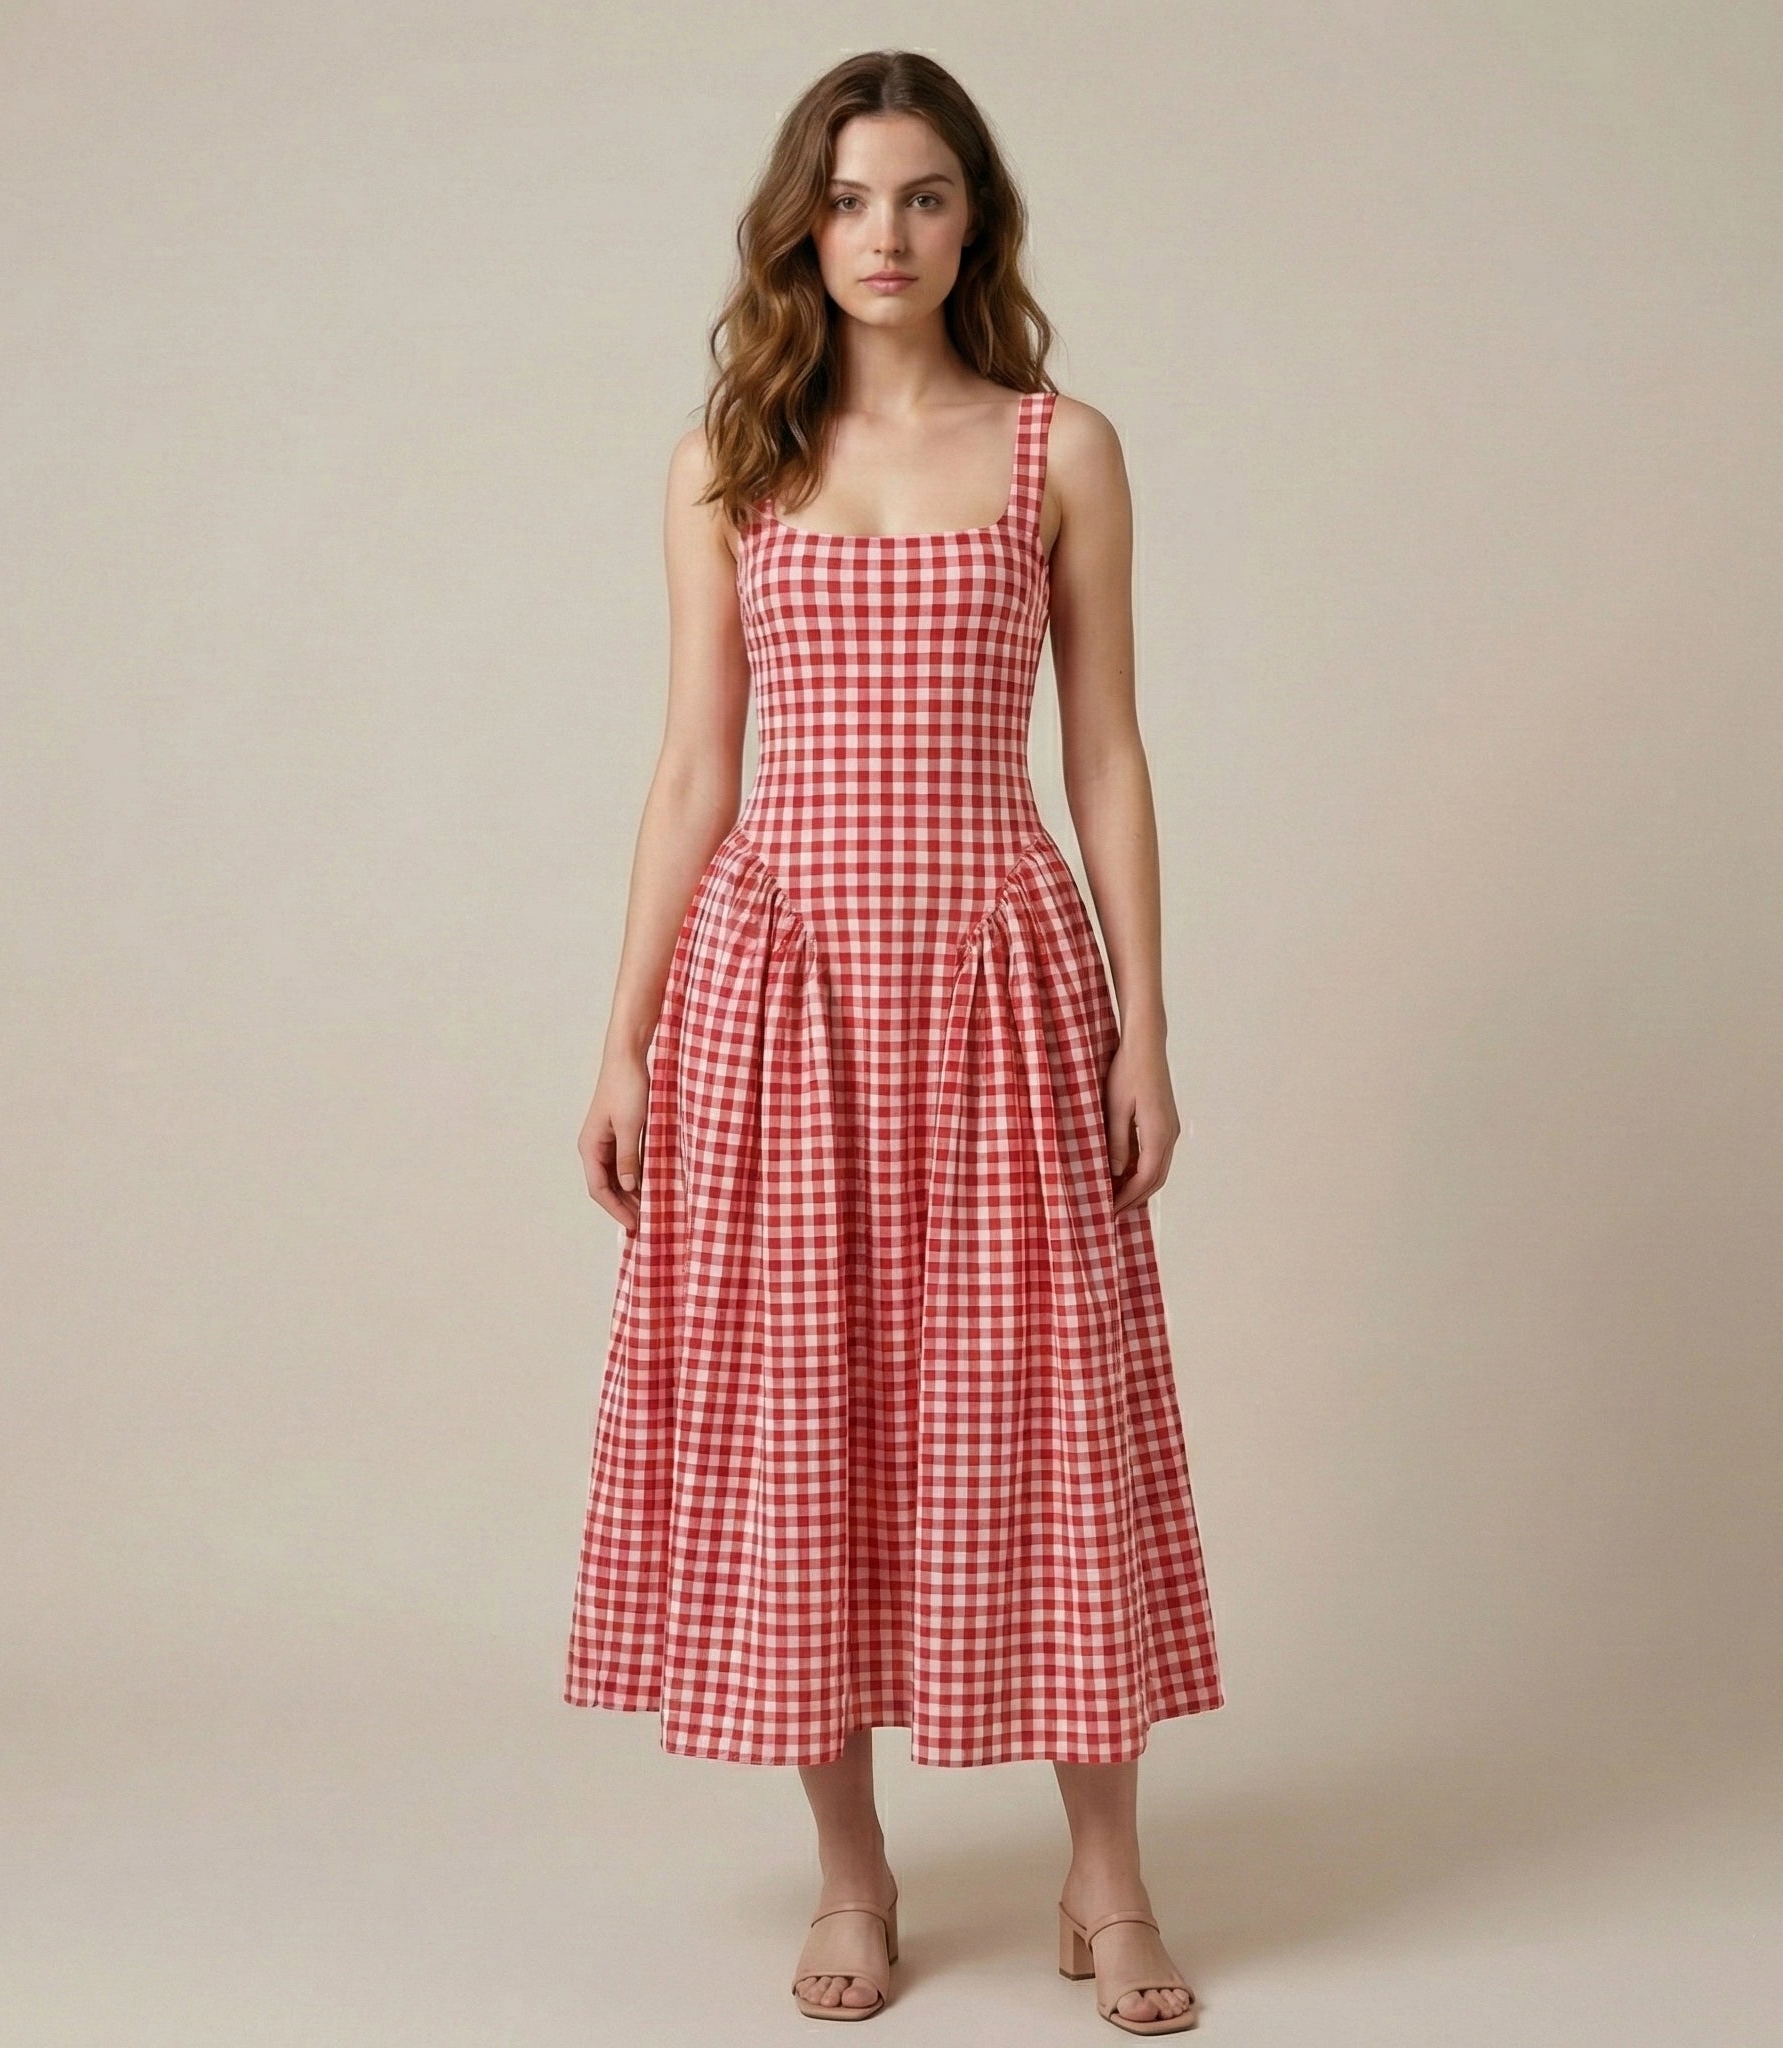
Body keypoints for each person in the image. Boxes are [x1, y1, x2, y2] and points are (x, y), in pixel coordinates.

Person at [565, 50, 1224, 2035]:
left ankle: (1106, 1875)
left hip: (999, 974)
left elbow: (1105, 752)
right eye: (850, 199)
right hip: (777, 989)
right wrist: (623, 1039)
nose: (885, 234)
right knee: (802, 1416)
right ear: (802, 224)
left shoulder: (1058, 449)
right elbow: (694, 768)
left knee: (1051, 1406)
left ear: (973, 223)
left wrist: (1145, 1021)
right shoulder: (729, 458)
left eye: (924, 196)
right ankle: (853, 1876)